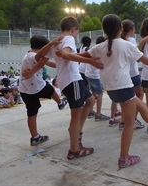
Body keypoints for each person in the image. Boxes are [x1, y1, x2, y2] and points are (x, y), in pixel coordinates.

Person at [56, 14, 148, 168]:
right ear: (121, 28)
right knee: (130, 123)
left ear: (104, 30)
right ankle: (124, 158)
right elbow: (145, 60)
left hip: (111, 90)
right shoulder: (126, 45)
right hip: (123, 87)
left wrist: (63, 54)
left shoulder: (100, 46)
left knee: (141, 105)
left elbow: (79, 56)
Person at [35, 17, 102, 159]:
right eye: (77, 33)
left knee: (90, 100)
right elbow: (66, 55)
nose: (77, 35)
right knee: (75, 116)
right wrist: (90, 61)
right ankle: (74, 149)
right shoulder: (69, 38)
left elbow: (39, 56)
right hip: (72, 80)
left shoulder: (56, 42)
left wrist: (51, 44)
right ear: (74, 29)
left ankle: (77, 130)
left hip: (68, 81)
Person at [19, 35, 68, 146]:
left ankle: (35, 137)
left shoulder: (30, 56)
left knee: (32, 113)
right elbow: (40, 56)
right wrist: (50, 44)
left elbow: (48, 63)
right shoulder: (32, 56)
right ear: (42, 48)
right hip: (34, 86)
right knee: (50, 89)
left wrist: (60, 65)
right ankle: (60, 103)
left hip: (25, 89)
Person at [120, 19, 145, 129]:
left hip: (123, 74)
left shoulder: (119, 40)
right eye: (134, 28)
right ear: (131, 29)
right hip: (133, 73)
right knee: (139, 95)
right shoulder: (131, 40)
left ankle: (123, 121)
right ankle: (132, 119)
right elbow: (137, 57)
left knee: (125, 100)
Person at [85, 36, 110, 122]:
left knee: (93, 93)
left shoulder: (93, 49)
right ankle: (98, 114)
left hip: (88, 74)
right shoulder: (101, 52)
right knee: (100, 94)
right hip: (94, 76)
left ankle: (91, 111)